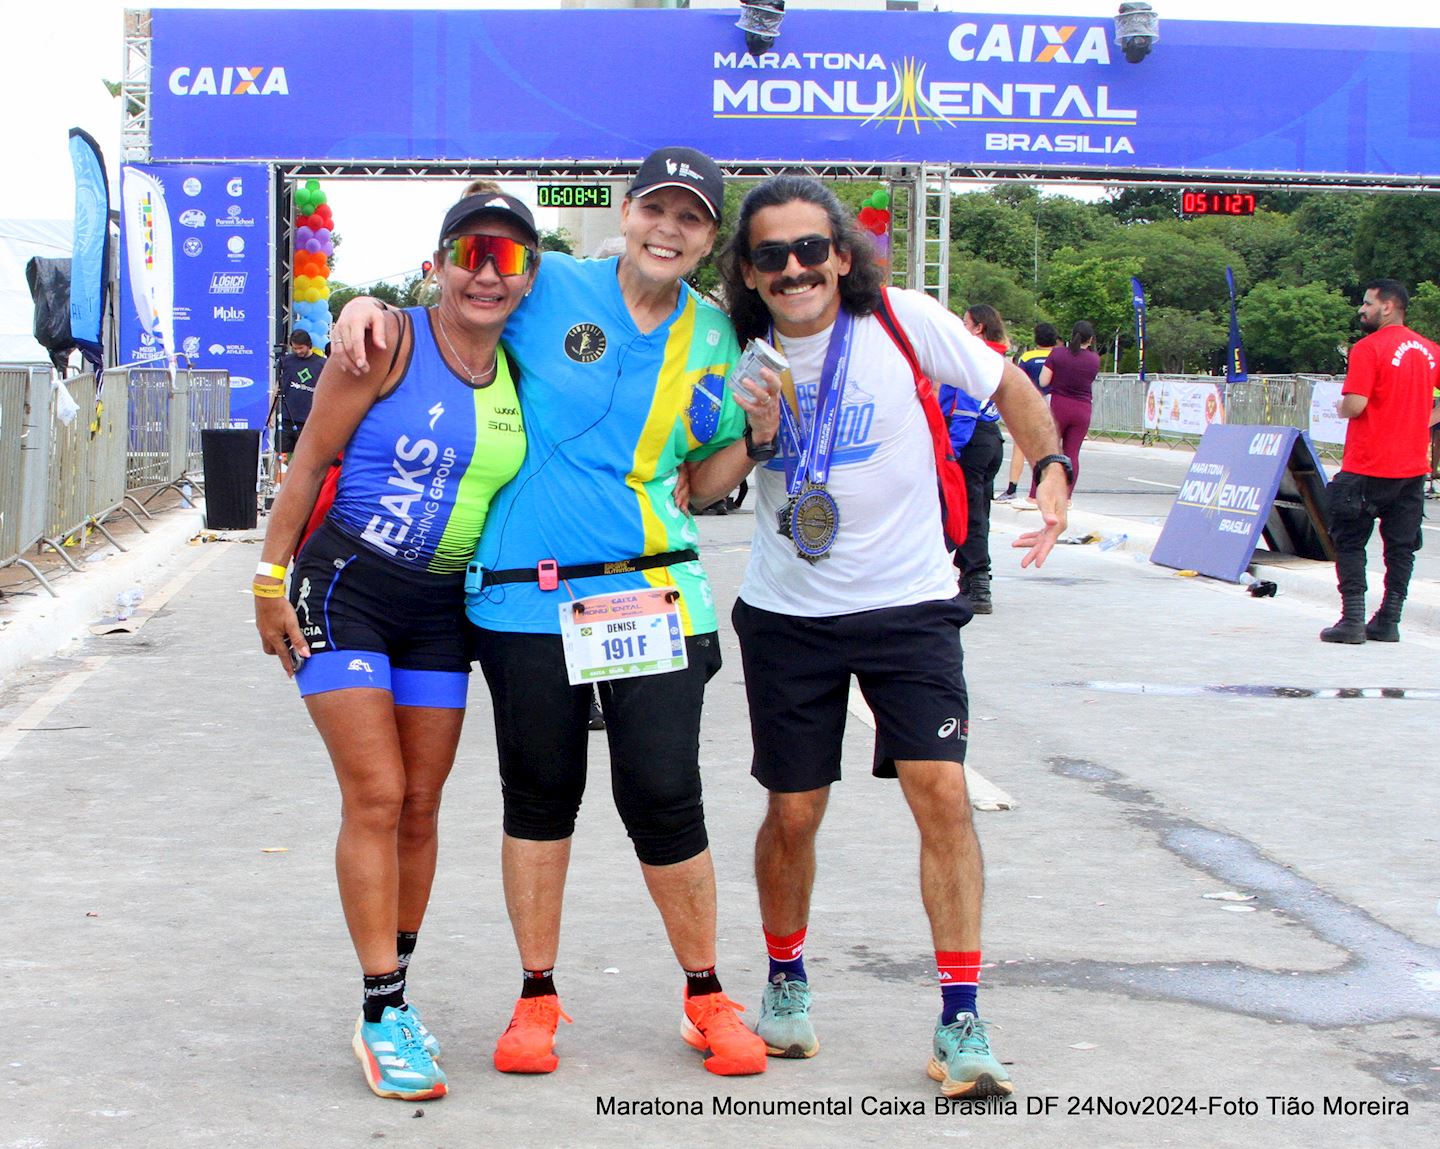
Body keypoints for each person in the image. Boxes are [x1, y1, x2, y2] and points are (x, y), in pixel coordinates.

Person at [332, 149, 780, 1078]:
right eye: (655, 208)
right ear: (626, 209)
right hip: (523, 598)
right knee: (539, 799)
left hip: (652, 588)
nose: (668, 228)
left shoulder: (715, 336)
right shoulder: (549, 285)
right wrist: (367, 307)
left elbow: (708, 475)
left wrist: (761, 436)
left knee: (664, 794)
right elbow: (460, 299)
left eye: (691, 219)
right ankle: (536, 997)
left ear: (709, 238)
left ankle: (707, 993)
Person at [716, 175, 1068, 1098]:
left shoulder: (904, 319)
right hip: (789, 614)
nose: (794, 270)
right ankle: (785, 982)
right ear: (748, 273)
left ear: (839, 253)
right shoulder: (729, 349)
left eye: (808, 250)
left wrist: (1053, 466)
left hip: (911, 605)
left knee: (941, 793)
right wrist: (753, 439)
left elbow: (1009, 383)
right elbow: (694, 484)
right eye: (770, 256)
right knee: (794, 811)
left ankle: (962, 1017)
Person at [252, 192, 539, 1100]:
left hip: (442, 606)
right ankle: (380, 1012)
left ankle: (397, 993)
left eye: (510, 258)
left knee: (421, 803)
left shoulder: (524, 370)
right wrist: (267, 578)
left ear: (529, 279)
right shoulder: (386, 341)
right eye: (472, 252)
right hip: (345, 586)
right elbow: (306, 463)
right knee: (375, 792)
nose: (489, 272)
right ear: (439, 261)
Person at [1320, 278, 1440, 644]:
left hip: (1368, 464)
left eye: (1367, 303)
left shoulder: (1368, 349)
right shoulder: (1430, 350)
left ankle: (1352, 619)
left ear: (1388, 306)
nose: (1362, 309)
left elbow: (1355, 403)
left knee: (1351, 540)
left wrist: (1340, 407)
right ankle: (1389, 619)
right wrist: (1421, 420)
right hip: (1412, 468)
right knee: (1401, 547)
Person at [947, 305, 1008, 613]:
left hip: (969, 436)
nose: (960, 326)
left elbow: (966, 405)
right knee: (979, 509)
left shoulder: (972, 355)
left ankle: (978, 580)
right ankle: (971, 578)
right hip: (990, 437)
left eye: (965, 322)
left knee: (966, 510)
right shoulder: (998, 354)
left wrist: (952, 449)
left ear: (978, 327)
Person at [1029, 320, 1099, 502]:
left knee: (1047, 450)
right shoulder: (1094, 359)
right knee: (1072, 453)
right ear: (1090, 339)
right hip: (1083, 409)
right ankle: (1066, 497)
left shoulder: (1058, 354)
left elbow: (1043, 381)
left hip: (1059, 406)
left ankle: (1035, 494)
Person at [997, 321, 1057, 503]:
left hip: (1029, 404)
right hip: (1052, 405)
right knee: (1051, 450)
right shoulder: (1058, 356)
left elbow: (1018, 379)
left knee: (1021, 446)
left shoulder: (1027, 357)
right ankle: (1050, 490)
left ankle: (1012, 488)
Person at [276, 329, 321, 455]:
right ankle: (280, 476)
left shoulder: (321, 364)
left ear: (308, 345)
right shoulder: (286, 361)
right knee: (280, 456)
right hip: (286, 418)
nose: (298, 351)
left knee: (306, 456)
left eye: (301, 348)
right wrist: (272, 411)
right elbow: (277, 387)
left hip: (308, 420)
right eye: (295, 348)